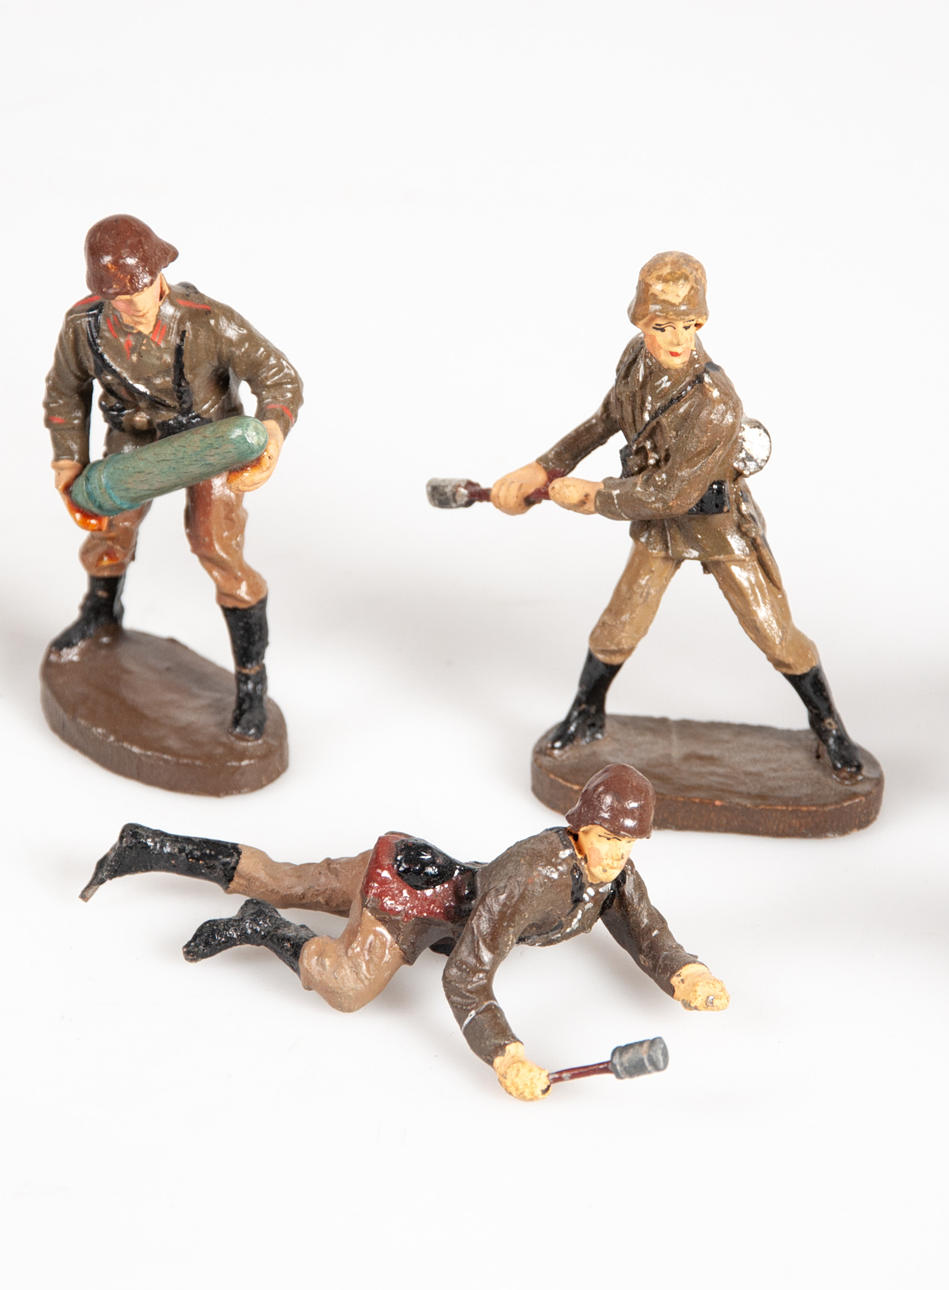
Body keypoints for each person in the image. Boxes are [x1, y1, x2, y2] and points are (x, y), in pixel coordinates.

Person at [80, 764, 729, 1101]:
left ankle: (150, 845)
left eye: (629, 842)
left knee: (285, 875)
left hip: (408, 861)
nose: (618, 853)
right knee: (346, 985)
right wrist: (504, 1053)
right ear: (581, 827)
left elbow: (647, 930)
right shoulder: (533, 878)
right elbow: (466, 975)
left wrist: (687, 973)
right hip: (407, 905)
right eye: (608, 837)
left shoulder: (611, 877)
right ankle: (255, 919)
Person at [490, 251, 863, 781]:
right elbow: (605, 419)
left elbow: (672, 492)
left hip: (715, 524)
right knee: (621, 620)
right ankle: (586, 712)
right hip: (657, 522)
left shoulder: (715, 401)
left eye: (688, 325)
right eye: (662, 326)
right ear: (641, 324)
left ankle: (828, 726)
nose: (676, 339)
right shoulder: (635, 361)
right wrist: (544, 467)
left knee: (774, 633)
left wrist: (594, 497)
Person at [44, 214, 303, 739]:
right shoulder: (84, 327)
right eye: (118, 296)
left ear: (160, 271)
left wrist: (272, 434)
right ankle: (100, 610)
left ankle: (251, 679)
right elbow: (65, 392)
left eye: (139, 289)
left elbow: (278, 376)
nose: (132, 303)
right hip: (134, 438)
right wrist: (68, 460)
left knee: (217, 546)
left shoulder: (209, 322)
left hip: (211, 443)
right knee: (109, 525)